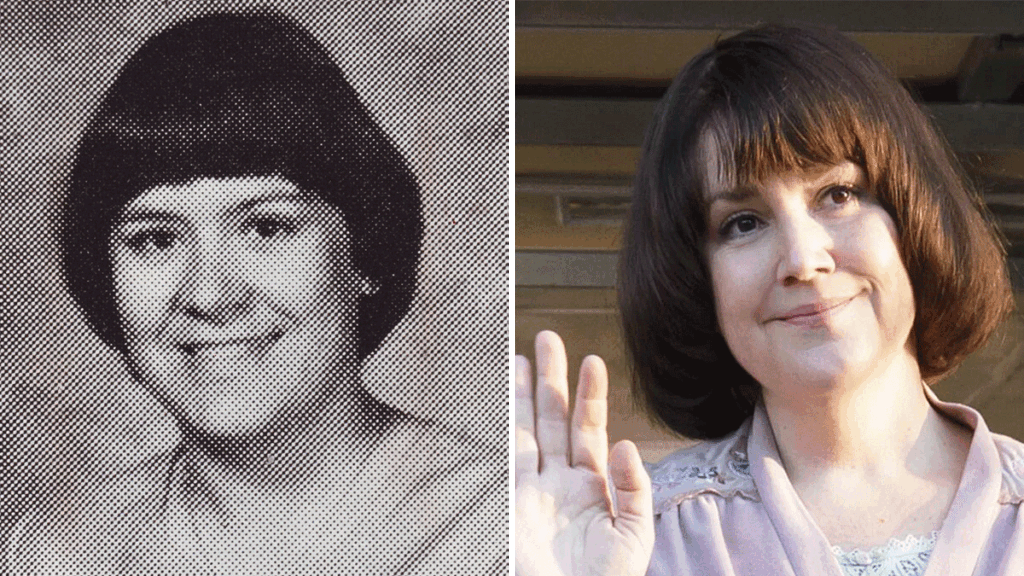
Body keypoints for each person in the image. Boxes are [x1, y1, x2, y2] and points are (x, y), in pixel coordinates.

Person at [6, 10, 503, 576]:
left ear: (363, 253)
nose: (209, 293)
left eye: (266, 228)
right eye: (156, 238)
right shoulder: (56, 551)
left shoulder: (497, 529)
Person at [515, 25, 1024, 575]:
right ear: (696, 278)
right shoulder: (638, 543)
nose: (804, 259)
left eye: (838, 194)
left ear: (912, 214)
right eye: (743, 223)